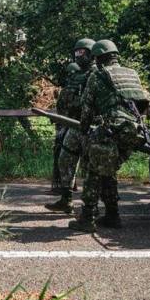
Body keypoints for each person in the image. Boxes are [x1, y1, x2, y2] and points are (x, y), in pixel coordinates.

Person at [69, 39, 150, 233]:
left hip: (111, 130)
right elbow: (144, 103)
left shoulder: (98, 76)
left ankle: (87, 218)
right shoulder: (132, 74)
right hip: (134, 132)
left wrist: (84, 131)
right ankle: (113, 215)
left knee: (93, 171)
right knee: (108, 168)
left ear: (98, 58)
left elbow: (86, 109)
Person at [46, 38, 95, 212]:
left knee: (90, 168)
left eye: (82, 52)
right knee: (65, 160)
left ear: (91, 54)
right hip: (74, 125)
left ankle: (92, 208)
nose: (78, 55)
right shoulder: (76, 75)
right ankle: (66, 200)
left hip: (91, 127)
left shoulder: (96, 74)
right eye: (76, 52)